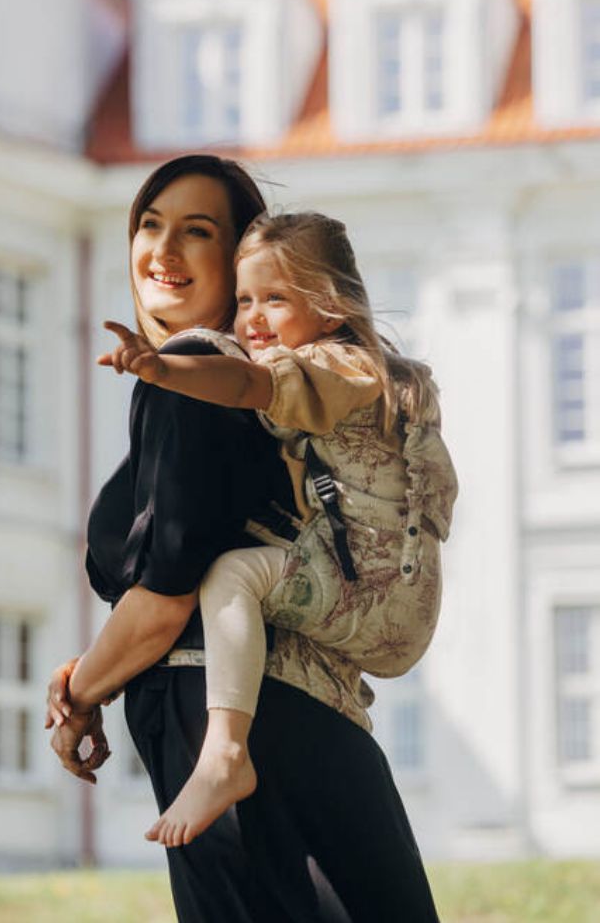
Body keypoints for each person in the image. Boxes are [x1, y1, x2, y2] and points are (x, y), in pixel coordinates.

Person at [46, 155, 441, 922]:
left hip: (228, 711)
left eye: (197, 232)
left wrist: (77, 694)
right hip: (308, 704)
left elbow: (164, 603)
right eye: (149, 224)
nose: (161, 250)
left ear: (243, 258)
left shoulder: (203, 369)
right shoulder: (264, 387)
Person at [98, 210, 457, 849]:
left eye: (275, 299)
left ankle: (225, 753)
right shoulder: (357, 371)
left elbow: (247, 384)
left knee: (233, 575)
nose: (253, 318)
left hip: (384, 586)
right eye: (243, 301)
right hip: (375, 586)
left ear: (331, 309)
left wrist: (160, 368)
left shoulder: (341, 365)